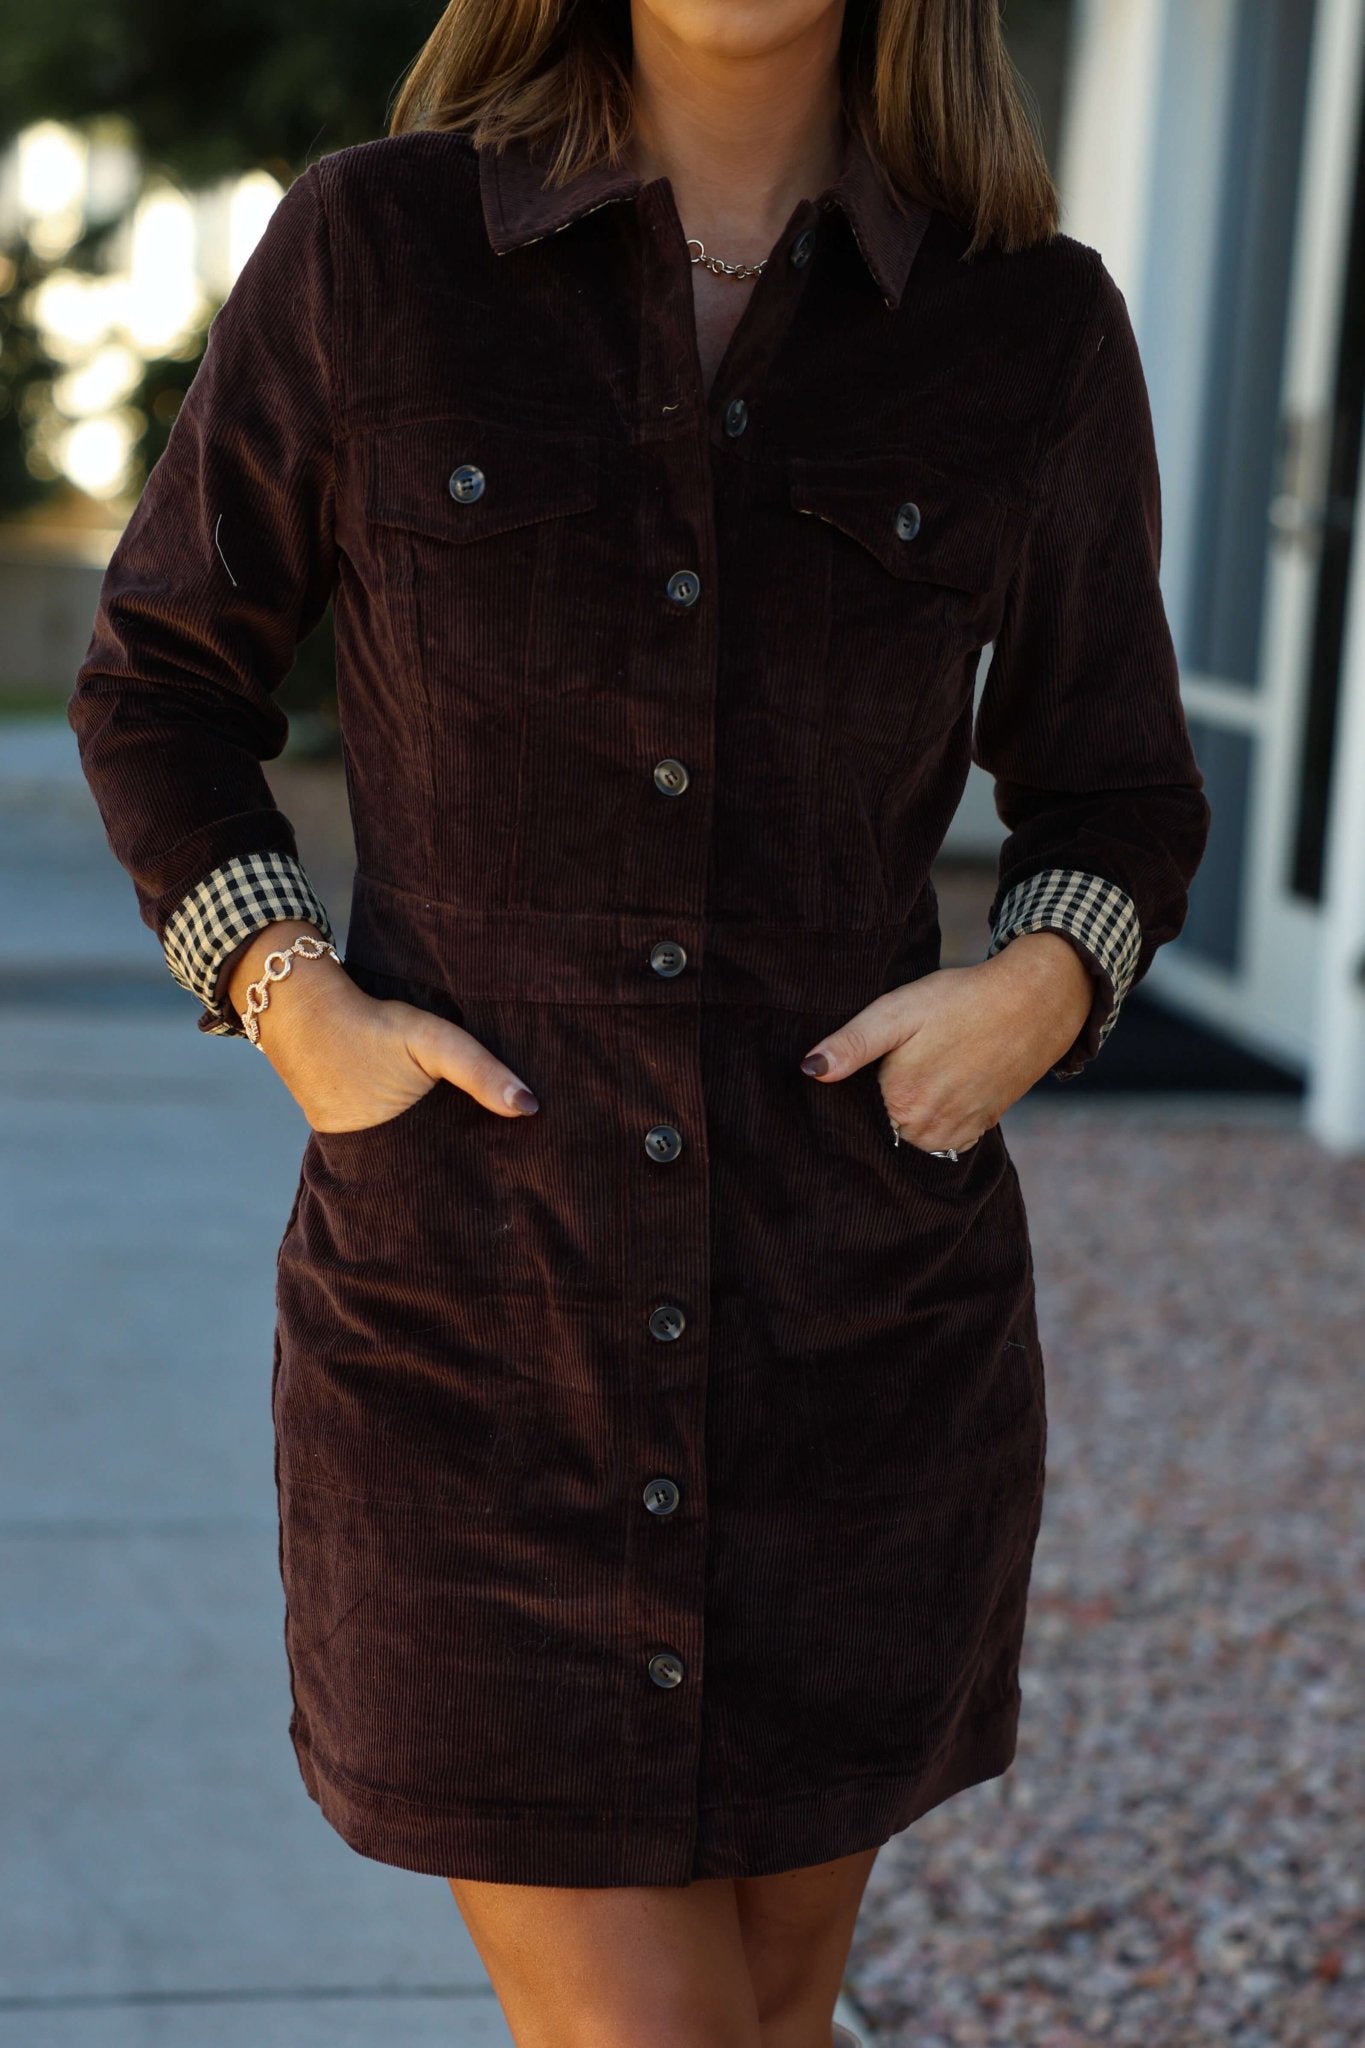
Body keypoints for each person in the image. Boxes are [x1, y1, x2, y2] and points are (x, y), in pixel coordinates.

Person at [68, 0, 1212, 2042]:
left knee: (767, 2019)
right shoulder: (373, 254)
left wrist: (1036, 989)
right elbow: (158, 681)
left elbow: (1116, 788)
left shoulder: (1024, 324)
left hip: (856, 1352)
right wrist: (286, 993)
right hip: (472, 1345)